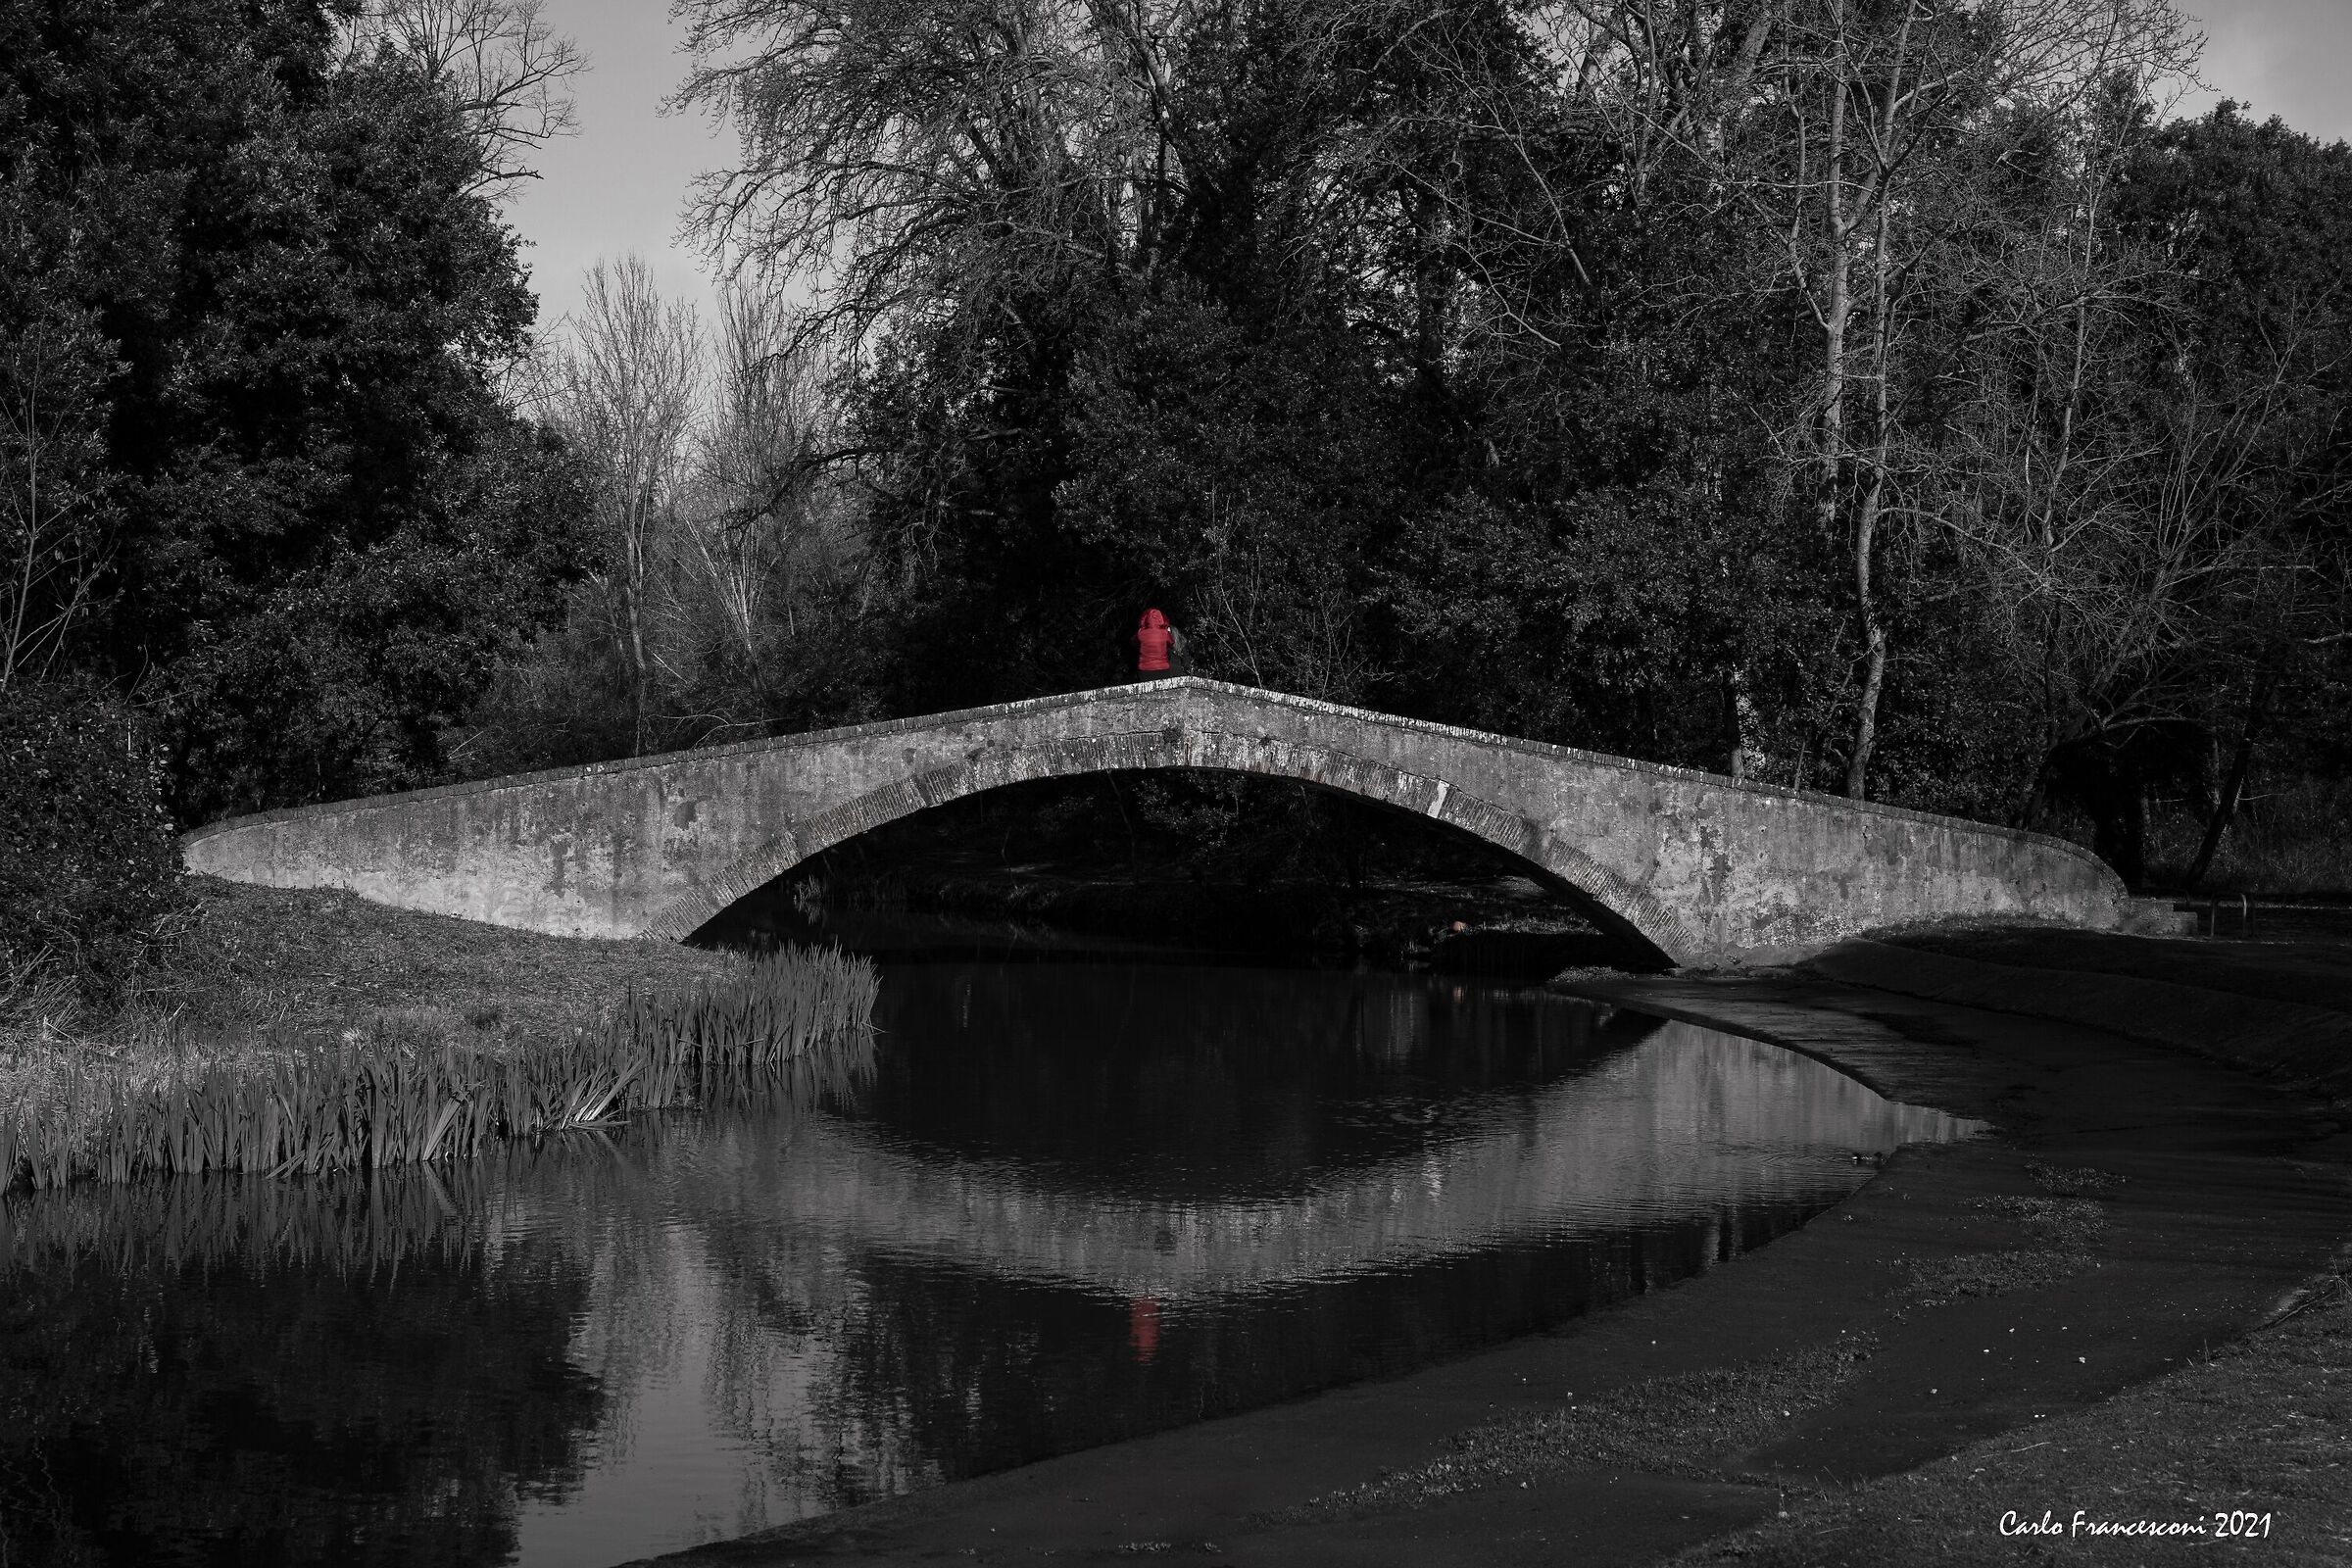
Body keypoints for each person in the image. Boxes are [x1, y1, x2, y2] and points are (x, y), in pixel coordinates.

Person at [1134, 607, 1185, 677]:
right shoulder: (1165, 633)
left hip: (1144, 669)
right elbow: (1172, 643)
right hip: (1162, 669)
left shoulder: (1140, 633)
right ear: (1160, 619)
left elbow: (1134, 642)